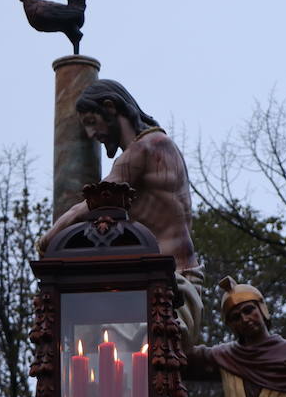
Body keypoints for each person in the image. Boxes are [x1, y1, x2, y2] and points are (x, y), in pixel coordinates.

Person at [39, 80, 204, 340]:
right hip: (172, 282)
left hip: (171, 287)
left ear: (110, 107)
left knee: (91, 340)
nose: (92, 135)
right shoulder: (161, 144)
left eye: (92, 122)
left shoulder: (145, 149)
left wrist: (49, 239)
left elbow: (93, 202)